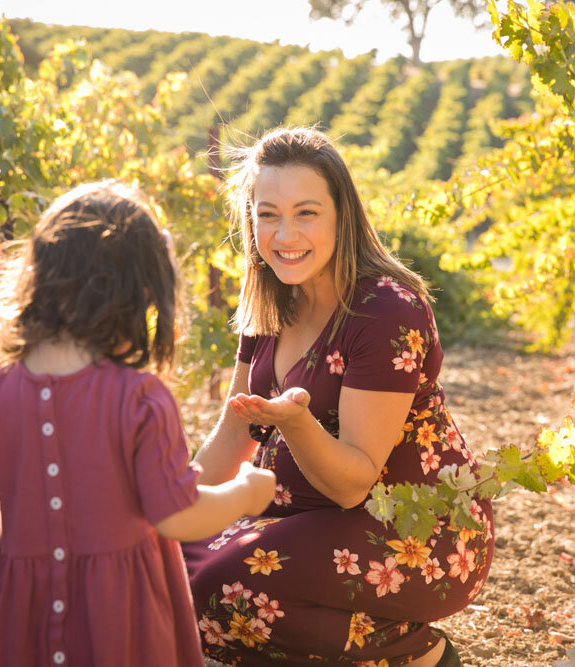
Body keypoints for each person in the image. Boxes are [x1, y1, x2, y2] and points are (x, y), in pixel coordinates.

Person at [0, 181, 277, 667]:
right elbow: (177, 515)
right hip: (124, 614)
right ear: (141, 297)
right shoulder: (139, 400)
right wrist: (245, 493)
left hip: (20, 616)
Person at [183, 128, 494, 667]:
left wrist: (296, 423)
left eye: (306, 213)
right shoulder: (270, 295)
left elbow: (354, 483)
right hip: (300, 518)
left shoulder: (386, 310)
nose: (285, 234)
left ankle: (419, 655)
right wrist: (162, 507)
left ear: (341, 215)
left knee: (221, 587)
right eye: (267, 214)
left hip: (410, 530)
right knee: (166, 563)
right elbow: (234, 430)